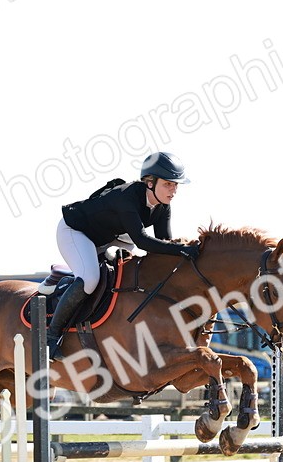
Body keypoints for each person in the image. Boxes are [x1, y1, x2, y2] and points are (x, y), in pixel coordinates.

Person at [46, 151, 199, 360]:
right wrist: (182, 250)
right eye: (168, 184)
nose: (173, 191)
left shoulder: (163, 206)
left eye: (175, 185)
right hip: (75, 232)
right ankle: (51, 336)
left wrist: (187, 255)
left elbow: (165, 244)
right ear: (150, 182)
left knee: (132, 270)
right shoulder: (127, 197)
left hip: (108, 237)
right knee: (90, 280)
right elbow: (143, 241)